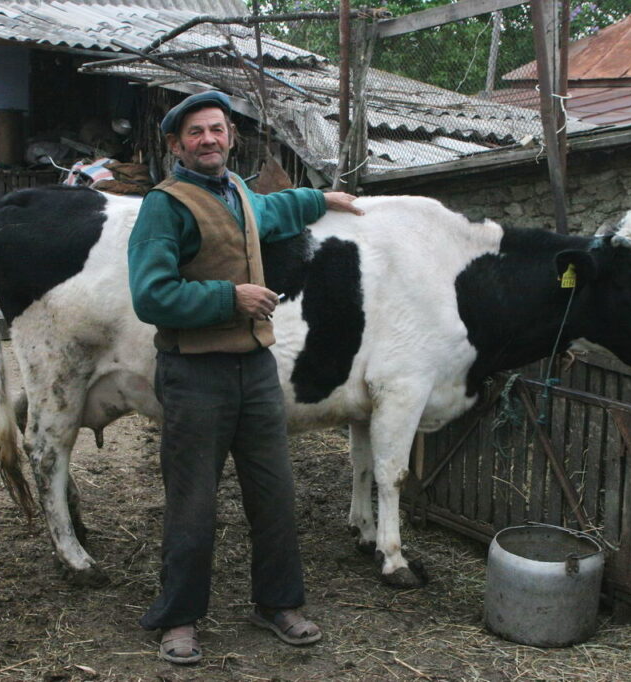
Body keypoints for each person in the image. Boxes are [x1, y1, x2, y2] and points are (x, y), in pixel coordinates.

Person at [127, 90, 363, 665]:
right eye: (195, 133)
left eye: (216, 129)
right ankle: (179, 618)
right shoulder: (166, 205)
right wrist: (230, 299)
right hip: (194, 374)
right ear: (177, 145)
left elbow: (274, 213)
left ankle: (277, 604)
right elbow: (149, 295)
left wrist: (323, 198)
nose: (208, 140)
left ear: (231, 136)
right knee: (192, 503)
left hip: (255, 372)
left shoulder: (237, 192)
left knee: (275, 494)